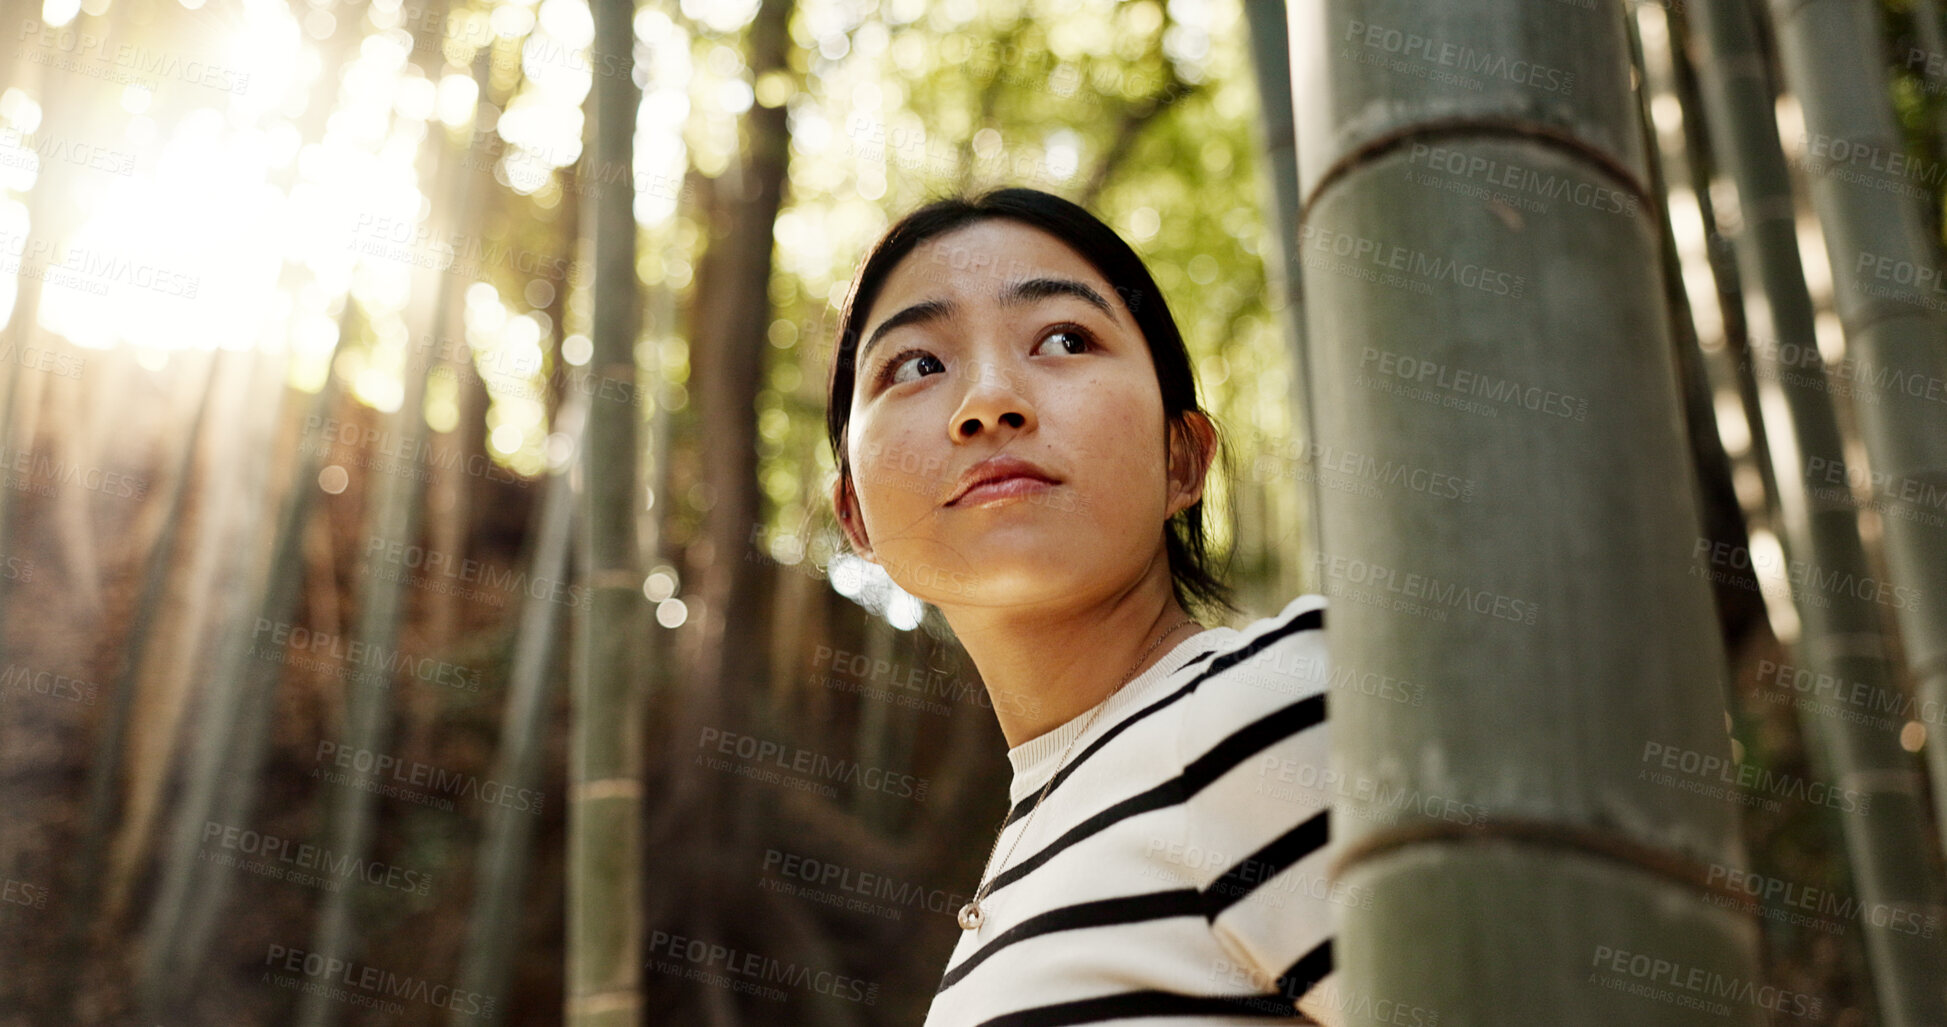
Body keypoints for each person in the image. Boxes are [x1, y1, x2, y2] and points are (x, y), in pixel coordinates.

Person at [826, 187, 1339, 1026]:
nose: (989, 401)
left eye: (1065, 338)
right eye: (917, 363)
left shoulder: (1268, 713)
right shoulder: (1036, 842)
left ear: (1182, 458)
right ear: (856, 514)